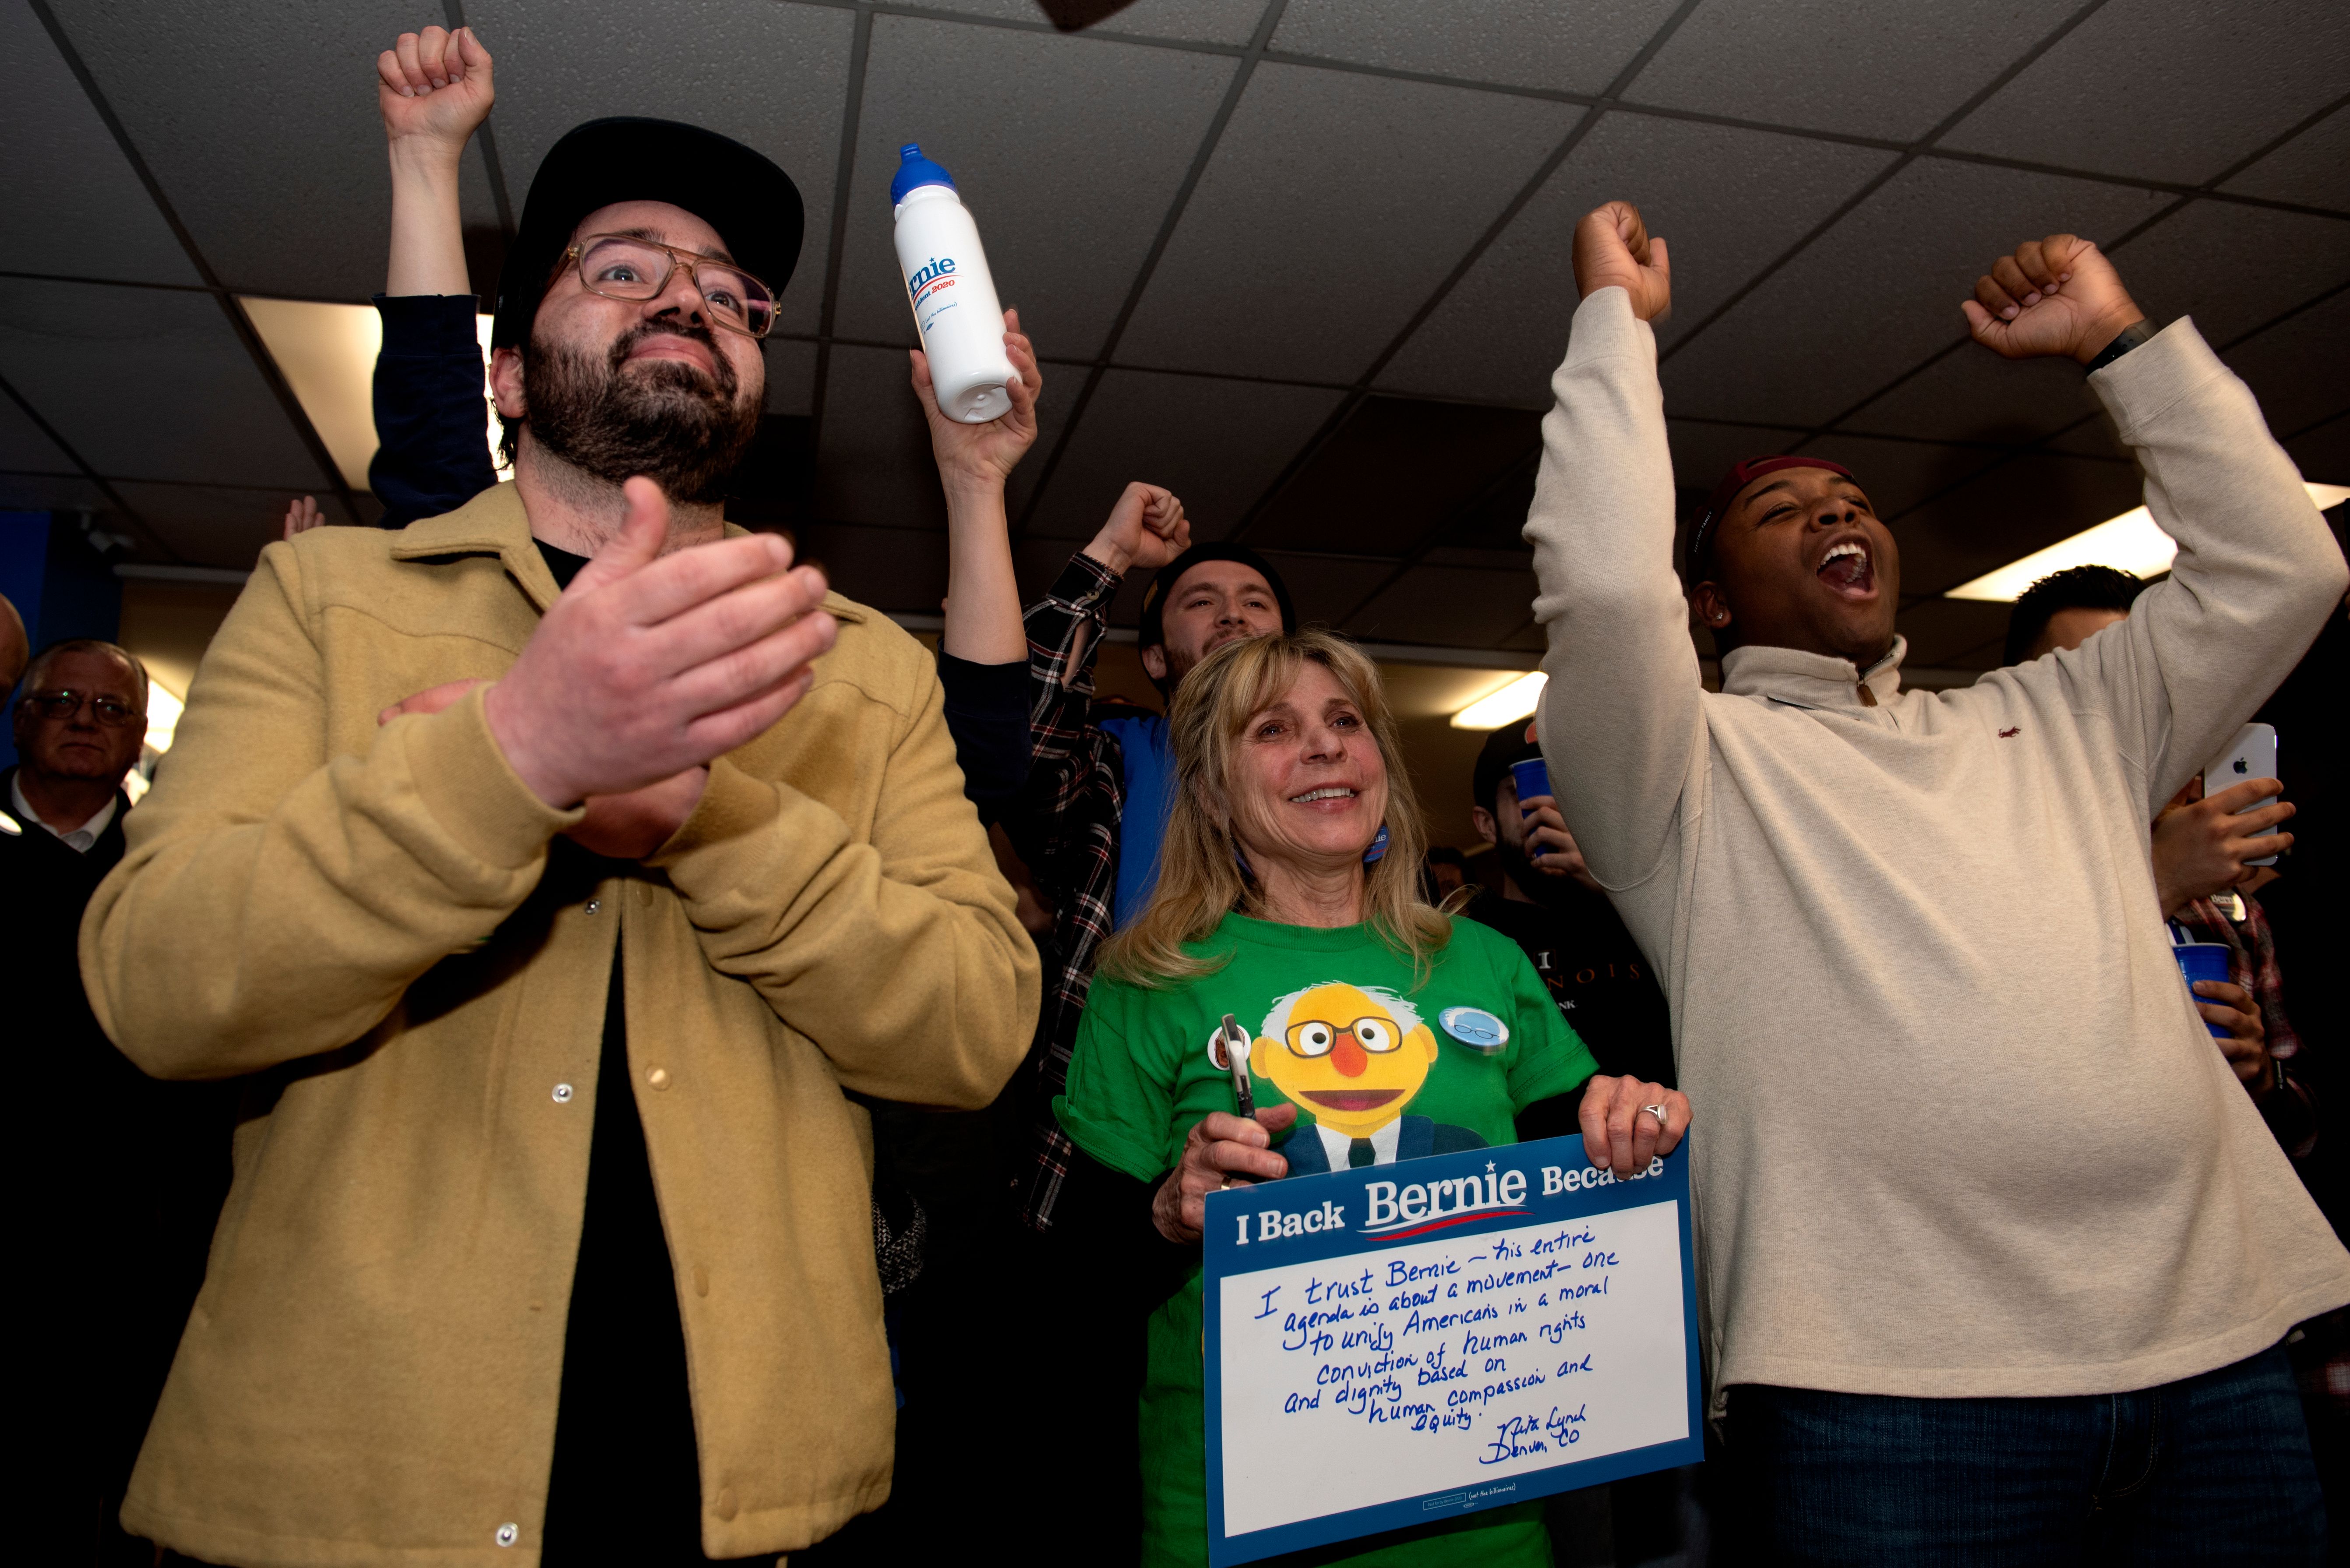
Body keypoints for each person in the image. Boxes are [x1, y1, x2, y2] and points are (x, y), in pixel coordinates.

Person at [81, 85, 1039, 1568]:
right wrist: (515, 755)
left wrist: (699, 821)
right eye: (624, 266)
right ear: (511, 374)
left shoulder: (860, 665)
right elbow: (158, 988)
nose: (691, 299)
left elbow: (976, 1026)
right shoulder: (331, 601)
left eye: (733, 296)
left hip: (762, 1507)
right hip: (350, 1501)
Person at [1528, 199, 2349, 1559]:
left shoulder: (2064, 716)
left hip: (2211, 1341)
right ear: (1714, 603)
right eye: (1782, 512)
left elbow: (2284, 566)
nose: (1835, 513)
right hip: (1888, 1396)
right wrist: (1612, 327)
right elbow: (1608, 600)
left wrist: (2124, 345)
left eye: (1849, 500)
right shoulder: (1684, 774)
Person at [1051, 628, 1687, 1567]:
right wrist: (1166, 1215)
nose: (1324, 745)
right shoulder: (1147, 980)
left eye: (1345, 721)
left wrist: (1632, 1124)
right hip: (1234, 1519)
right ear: (1215, 790)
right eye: (1274, 727)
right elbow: (1074, 1296)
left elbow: (1581, 1181)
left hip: (1490, 1515)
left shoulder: (1482, 959)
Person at [2, 642, 237, 1566]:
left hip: (127, 1239)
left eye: (109, 709)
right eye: (61, 699)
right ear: (22, 716)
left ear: (140, 736)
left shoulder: (175, 867)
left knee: (111, 1483)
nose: (83, 720)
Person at [2012, 572, 2315, 1157]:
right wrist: (2159, 883)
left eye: (2140, 688)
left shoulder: (2227, 906)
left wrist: (2260, 1082)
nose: (2121, 716)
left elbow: (2302, 1134)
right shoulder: (1990, 874)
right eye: (2086, 686)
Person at [1464, 723, 1674, 1090]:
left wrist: (1610, 886)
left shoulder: (1643, 917)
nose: (1547, 808)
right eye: (1523, 793)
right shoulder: (1473, 940)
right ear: (1487, 825)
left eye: (1564, 789)